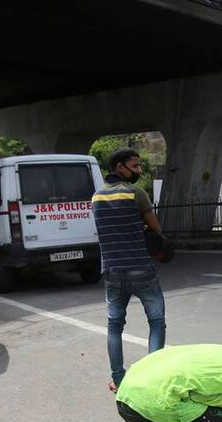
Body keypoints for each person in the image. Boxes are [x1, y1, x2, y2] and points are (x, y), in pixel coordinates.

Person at [92, 148, 169, 392]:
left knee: (114, 326)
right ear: (119, 167)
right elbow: (156, 229)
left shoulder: (96, 197)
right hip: (141, 270)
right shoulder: (135, 193)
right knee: (156, 322)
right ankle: (153, 376)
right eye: (134, 166)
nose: (139, 170)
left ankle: (118, 379)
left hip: (113, 271)